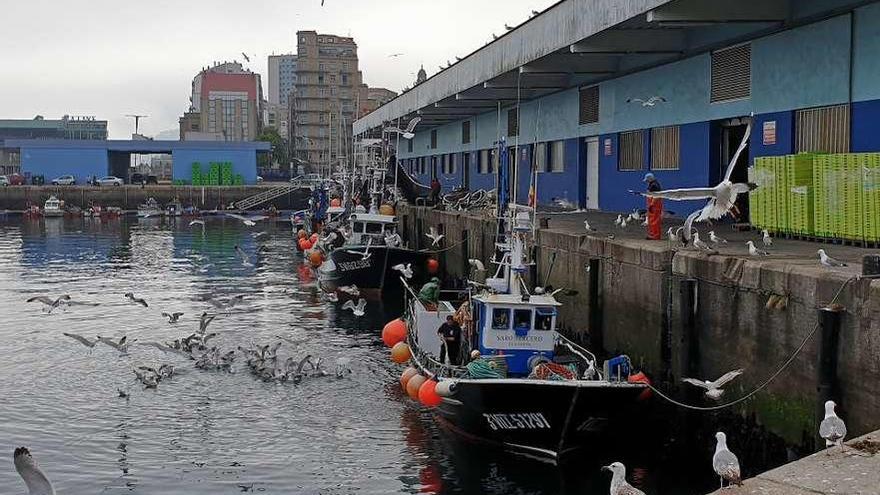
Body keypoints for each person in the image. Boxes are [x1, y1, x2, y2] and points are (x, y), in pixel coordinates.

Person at [644, 172, 663, 240]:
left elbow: (656, 196)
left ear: (650, 179)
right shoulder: (653, 184)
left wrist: (651, 204)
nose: (647, 182)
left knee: (654, 220)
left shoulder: (654, 185)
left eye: (647, 180)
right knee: (651, 220)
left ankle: (655, 235)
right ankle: (653, 234)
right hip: (653, 205)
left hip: (654, 205)